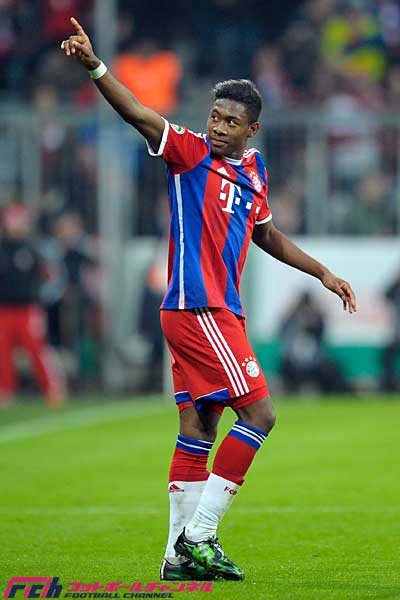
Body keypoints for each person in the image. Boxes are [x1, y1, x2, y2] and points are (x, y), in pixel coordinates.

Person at [61, 17, 357, 582]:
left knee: (198, 427)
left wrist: (322, 272)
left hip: (214, 311)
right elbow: (137, 113)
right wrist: (96, 66)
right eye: (215, 116)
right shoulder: (189, 153)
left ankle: (176, 558)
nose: (218, 127)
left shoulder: (254, 171)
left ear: (253, 129)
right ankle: (199, 537)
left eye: (231, 122)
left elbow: (266, 234)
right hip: (199, 307)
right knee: (261, 414)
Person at [0, 202, 66, 407]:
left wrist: (43, 295)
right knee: (2, 351)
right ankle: (5, 391)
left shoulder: (33, 248)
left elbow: (50, 275)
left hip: (28, 309)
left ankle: (52, 388)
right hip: (4, 309)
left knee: (37, 349)